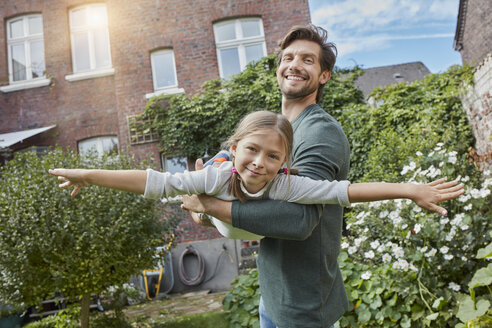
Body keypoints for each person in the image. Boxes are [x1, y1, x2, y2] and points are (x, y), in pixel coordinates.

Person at [177, 24, 459, 328]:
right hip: (275, 295)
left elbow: (299, 220)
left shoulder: (319, 133)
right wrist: (202, 210)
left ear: (324, 75)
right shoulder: (278, 130)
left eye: (307, 60)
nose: (294, 65)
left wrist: (208, 207)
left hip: (304, 308)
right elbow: (246, 192)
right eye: (288, 58)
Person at [49, 110, 462, 241]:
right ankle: (198, 208)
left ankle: (199, 208)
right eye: (251, 149)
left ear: (284, 161)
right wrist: (88, 173)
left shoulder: (287, 182)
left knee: (202, 197)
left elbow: (345, 191)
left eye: (272, 156)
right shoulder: (222, 174)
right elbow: (152, 181)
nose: (260, 163)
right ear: (235, 149)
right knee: (194, 188)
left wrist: (408, 190)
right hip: (221, 204)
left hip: (244, 221)